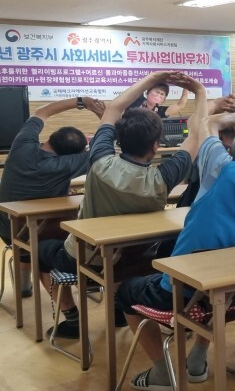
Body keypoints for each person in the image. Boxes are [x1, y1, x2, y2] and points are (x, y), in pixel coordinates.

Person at [116, 116, 235, 391]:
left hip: (186, 295)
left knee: (126, 291)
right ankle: (197, 355)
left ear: (231, 153)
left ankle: (162, 372)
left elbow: (208, 124)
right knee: (219, 286)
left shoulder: (221, 171)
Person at [36, 71, 205, 338]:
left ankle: (72, 319)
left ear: (117, 140)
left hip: (87, 259)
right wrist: (200, 92)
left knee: (37, 249)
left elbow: (114, 108)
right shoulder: (164, 177)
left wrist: (153, 77)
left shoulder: (100, 160)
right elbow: (196, 134)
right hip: (139, 261)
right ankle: (118, 307)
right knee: (119, 266)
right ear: (156, 146)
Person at [0, 96, 105, 297]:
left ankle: (23, 287)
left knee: (29, 242)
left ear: (51, 137)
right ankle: (72, 297)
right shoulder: (68, 164)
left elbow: (43, 111)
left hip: (8, 227)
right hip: (49, 231)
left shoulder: (22, 144)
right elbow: (100, 150)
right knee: (44, 246)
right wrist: (103, 116)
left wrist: (81, 101)